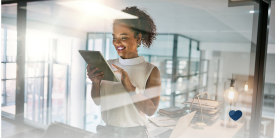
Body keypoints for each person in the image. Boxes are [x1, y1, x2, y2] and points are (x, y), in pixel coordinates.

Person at [87, 6, 161, 138]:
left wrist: (131, 89)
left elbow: (151, 110)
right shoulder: (107, 65)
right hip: (108, 133)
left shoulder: (150, 70)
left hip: (135, 134)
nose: (117, 42)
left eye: (124, 37)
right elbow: (98, 101)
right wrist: (95, 82)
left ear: (138, 38)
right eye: (114, 37)